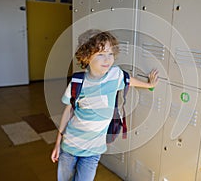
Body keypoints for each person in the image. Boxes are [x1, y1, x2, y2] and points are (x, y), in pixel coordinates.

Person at [51, 29, 159, 181]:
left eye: (110, 54)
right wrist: (58, 142)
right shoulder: (78, 82)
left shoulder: (115, 75)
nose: (107, 59)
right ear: (87, 57)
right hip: (70, 146)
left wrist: (149, 85)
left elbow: (129, 80)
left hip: (93, 151)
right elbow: (68, 110)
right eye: (100, 54)